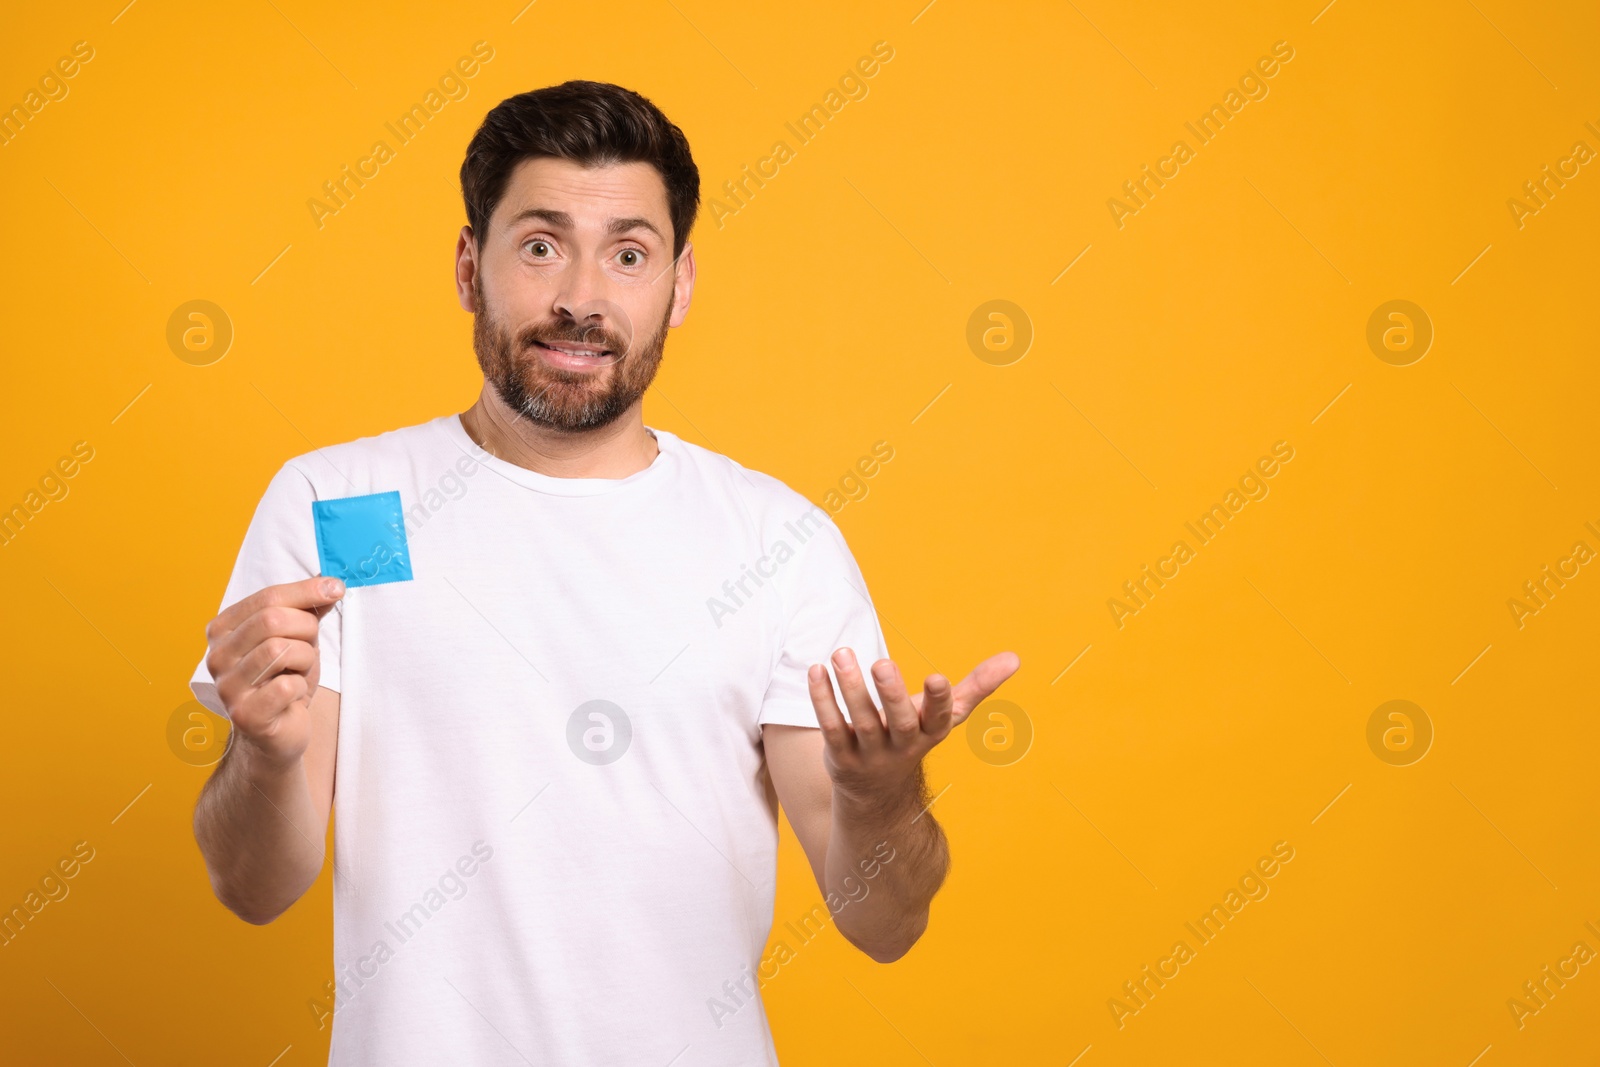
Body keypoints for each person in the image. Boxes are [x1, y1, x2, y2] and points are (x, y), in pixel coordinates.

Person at [189, 79, 1019, 1066]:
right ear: (469, 266)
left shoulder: (773, 541)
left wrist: (884, 799)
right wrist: (267, 752)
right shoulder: (345, 503)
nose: (579, 296)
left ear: (678, 283)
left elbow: (883, 924)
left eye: (628, 254)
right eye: (540, 245)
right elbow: (254, 886)